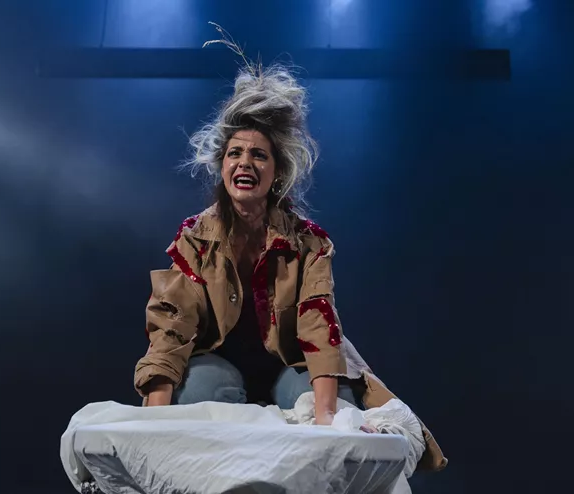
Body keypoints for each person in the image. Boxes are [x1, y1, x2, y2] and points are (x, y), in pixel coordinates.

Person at [133, 33, 446, 473]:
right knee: (203, 387)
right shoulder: (194, 239)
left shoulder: (308, 242)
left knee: (323, 401)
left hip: (291, 363)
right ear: (222, 166)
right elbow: (171, 325)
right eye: (235, 153)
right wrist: (151, 428)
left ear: (276, 173)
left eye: (259, 155)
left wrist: (327, 423)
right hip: (219, 364)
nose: (245, 162)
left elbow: (319, 324)